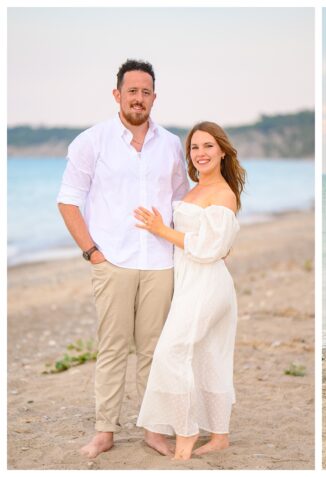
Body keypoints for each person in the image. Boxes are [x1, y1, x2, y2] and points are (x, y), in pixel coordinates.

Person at [57, 59, 189, 458]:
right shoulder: (91, 142)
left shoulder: (170, 144)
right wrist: (93, 253)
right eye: (132, 91)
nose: (139, 98)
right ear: (117, 95)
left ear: (154, 97)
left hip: (160, 263)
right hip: (112, 260)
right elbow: (68, 201)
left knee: (154, 350)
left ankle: (153, 429)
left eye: (146, 92)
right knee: (113, 348)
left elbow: (182, 202)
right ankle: (105, 431)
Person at [133, 121, 244, 460]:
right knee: (208, 355)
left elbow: (208, 247)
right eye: (195, 148)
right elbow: (213, 242)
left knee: (172, 353)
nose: (201, 153)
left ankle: (186, 431)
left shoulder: (223, 193)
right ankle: (220, 436)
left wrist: (159, 229)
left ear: (222, 151)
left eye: (208, 146)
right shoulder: (194, 190)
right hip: (189, 280)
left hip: (207, 284)